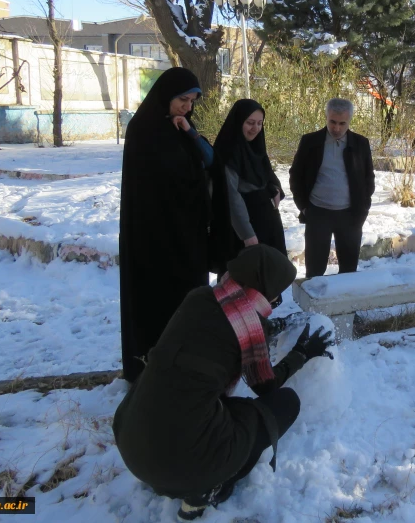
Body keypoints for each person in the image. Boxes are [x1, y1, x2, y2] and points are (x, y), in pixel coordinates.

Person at [113, 244, 335, 522]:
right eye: (278, 289)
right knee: (283, 404)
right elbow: (266, 386)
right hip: (183, 463)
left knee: (204, 400)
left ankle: (189, 471)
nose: (278, 296)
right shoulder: (250, 327)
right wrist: (302, 353)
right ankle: (210, 486)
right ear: (264, 287)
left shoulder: (200, 297)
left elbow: (213, 337)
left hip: (133, 447)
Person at [119, 66, 219, 383]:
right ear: (166, 96)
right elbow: (151, 185)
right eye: (183, 100)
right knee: (158, 305)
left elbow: (209, 161)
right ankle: (154, 370)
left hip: (187, 236)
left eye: (191, 101)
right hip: (154, 239)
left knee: (188, 300)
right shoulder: (143, 130)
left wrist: (189, 131)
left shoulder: (179, 127)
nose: (187, 107)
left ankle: (186, 362)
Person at [289, 98, 375, 278]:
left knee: (349, 272)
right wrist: (304, 206)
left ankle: (347, 306)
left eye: (342, 123)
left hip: (350, 215)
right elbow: (296, 175)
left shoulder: (360, 144)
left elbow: (368, 179)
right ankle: (314, 306)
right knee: (314, 271)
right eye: (332, 122)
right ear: (326, 117)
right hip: (318, 213)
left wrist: (363, 209)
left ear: (349, 121)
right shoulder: (310, 142)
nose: (336, 128)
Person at [213, 99, 288, 266]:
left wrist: (274, 188)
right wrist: (247, 235)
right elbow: (231, 195)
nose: (256, 129)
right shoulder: (229, 152)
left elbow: (266, 175)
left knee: (269, 282)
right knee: (247, 283)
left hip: (267, 225)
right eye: (250, 123)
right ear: (239, 122)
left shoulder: (255, 147)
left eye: (260, 123)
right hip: (245, 230)